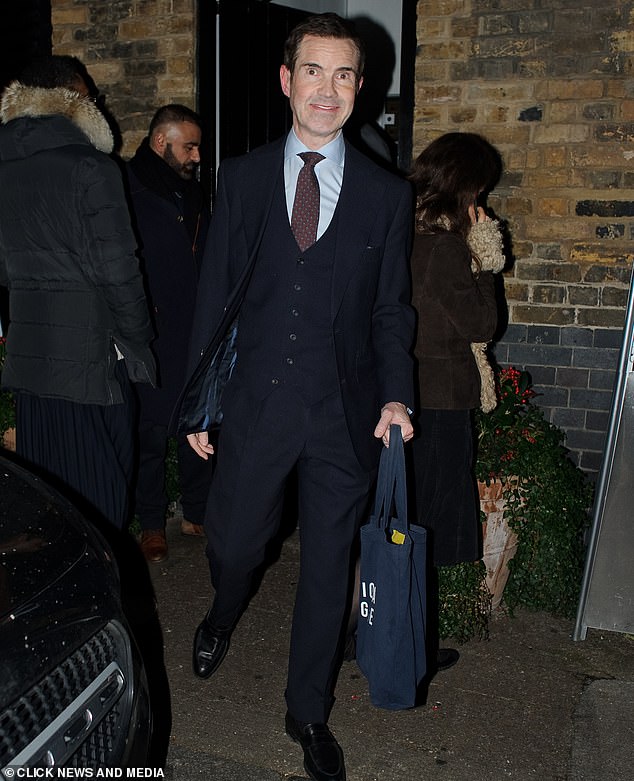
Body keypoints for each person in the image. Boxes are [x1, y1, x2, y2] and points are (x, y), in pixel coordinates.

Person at [176, 14, 415, 781]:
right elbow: (215, 298)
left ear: (359, 90)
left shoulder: (385, 195)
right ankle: (221, 611)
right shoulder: (241, 178)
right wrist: (200, 405)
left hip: (342, 414)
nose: (328, 89)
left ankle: (306, 709)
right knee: (236, 542)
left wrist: (396, 396)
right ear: (287, 80)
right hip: (256, 404)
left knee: (326, 567)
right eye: (314, 71)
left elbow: (390, 309)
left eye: (344, 75)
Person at [0, 55, 155, 530]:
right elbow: (119, 270)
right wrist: (140, 339)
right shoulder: (91, 167)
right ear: (72, 100)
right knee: (102, 502)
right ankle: (102, 600)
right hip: (91, 364)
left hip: (31, 362)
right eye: (92, 95)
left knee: (50, 504)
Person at [408, 132, 505, 665]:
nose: (480, 205)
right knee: (426, 526)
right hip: (440, 399)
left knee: (400, 519)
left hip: (403, 393)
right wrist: (487, 261)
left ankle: (367, 633)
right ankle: (410, 645)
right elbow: (481, 324)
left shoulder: (403, 230)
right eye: (477, 192)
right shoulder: (445, 248)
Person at [126, 104, 212, 563]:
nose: (197, 156)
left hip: (194, 325)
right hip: (151, 329)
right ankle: (152, 524)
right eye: (190, 146)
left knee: (197, 419)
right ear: (162, 142)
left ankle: (196, 512)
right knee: (151, 432)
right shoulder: (129, 187)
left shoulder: (191, 192)